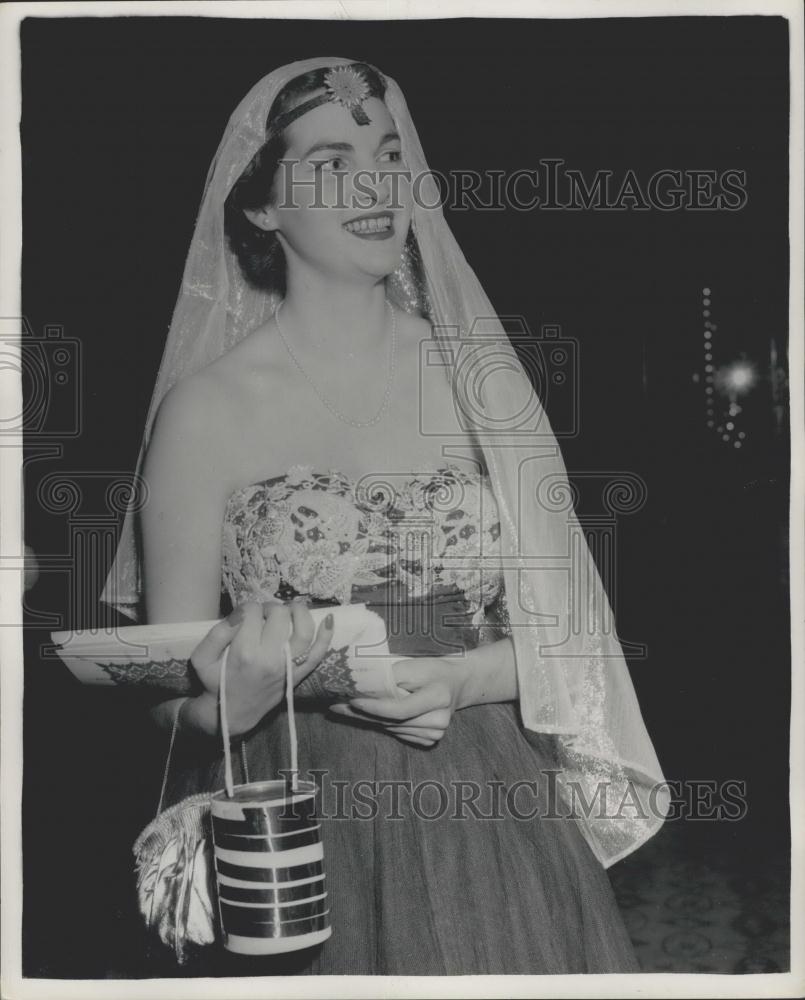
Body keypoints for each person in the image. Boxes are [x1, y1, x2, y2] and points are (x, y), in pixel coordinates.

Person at [102, 56, 669, 976]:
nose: (373, 186)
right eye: (328, 164)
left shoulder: (484, 380)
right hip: (290, 812)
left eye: (390, 155)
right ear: (260, 208)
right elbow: (162, 691)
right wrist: (224, 708)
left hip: (485, 805)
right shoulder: (204, 411)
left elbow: (579, 643)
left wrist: (460, 679)